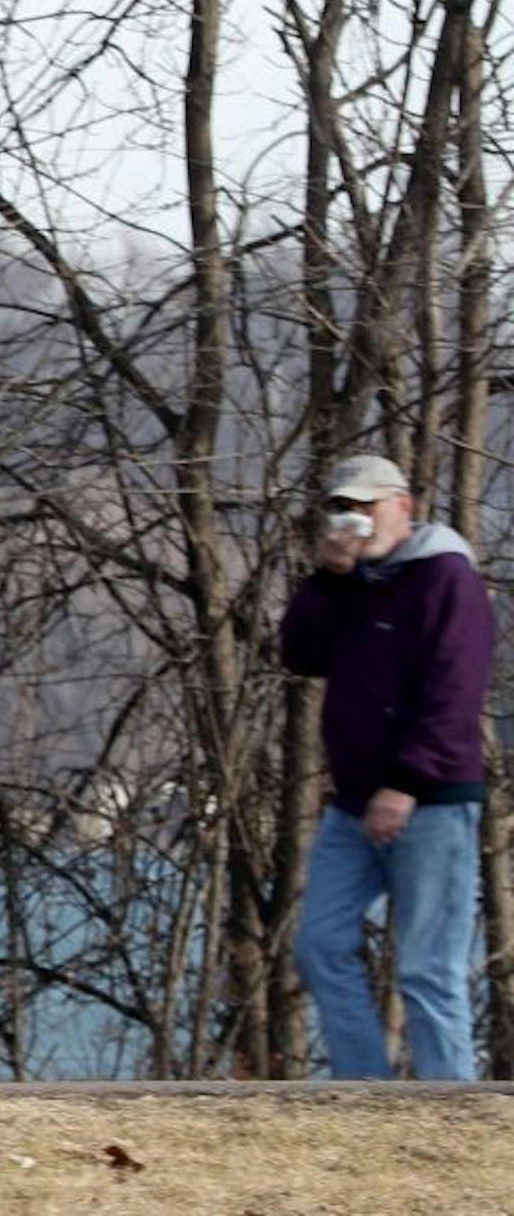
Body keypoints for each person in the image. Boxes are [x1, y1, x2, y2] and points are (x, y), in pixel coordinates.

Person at [283, 453, 491, 1080]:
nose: (354, 520)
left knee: (428, 966)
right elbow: (300, 654)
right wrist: (328, 581)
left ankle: (451, 1109)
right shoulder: (354, 586)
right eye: (341, 508)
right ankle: (364, 1088)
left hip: (431, 803)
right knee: (320, 943)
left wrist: (405, 783)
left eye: (365, 507)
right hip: (352, 801)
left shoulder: (445, 577)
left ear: (402, 505)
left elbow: (455, 688)